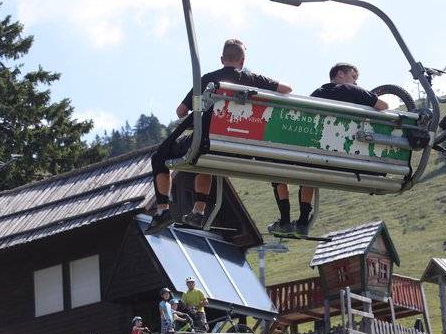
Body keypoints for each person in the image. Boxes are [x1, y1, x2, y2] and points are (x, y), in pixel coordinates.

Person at [145, 39, 292, 235]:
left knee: (160, 157)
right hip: (244, 146)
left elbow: (181, 111)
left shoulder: (209, 79)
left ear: (222, 59)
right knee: (208, 160)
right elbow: (287, 89)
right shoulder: (254, 80)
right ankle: (197, 211)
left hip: (209, 143)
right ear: (242, 61)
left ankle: (163, 210)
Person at [268, 63, 388, 238]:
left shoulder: (317, 94)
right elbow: (383, 105)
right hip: (351, 160)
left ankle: (287, 221)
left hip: (319, 156)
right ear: (340, 74)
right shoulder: (355, 91)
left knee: (287, 166)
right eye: (353, 77)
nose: (355, 83)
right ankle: (302, 222)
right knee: (311, 168)